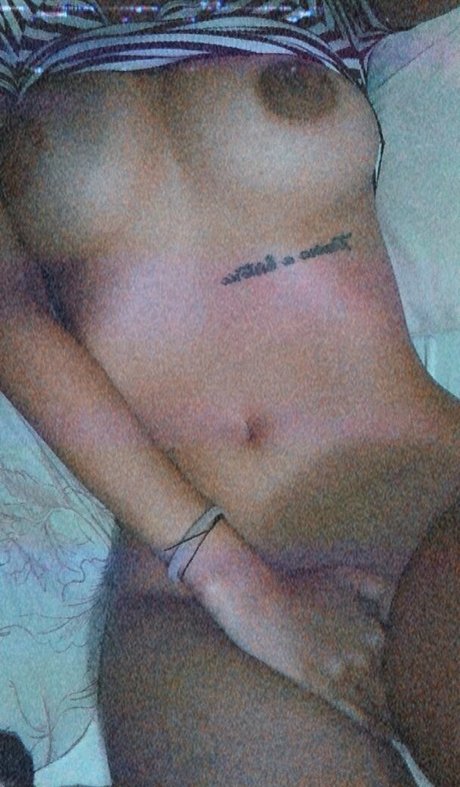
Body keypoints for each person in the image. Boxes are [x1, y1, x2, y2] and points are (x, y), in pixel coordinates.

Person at [0, 0, 458, 783]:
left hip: (427, 498)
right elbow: (12, 319)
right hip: (191, 593)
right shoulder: (14, 34)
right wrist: (234, 583)